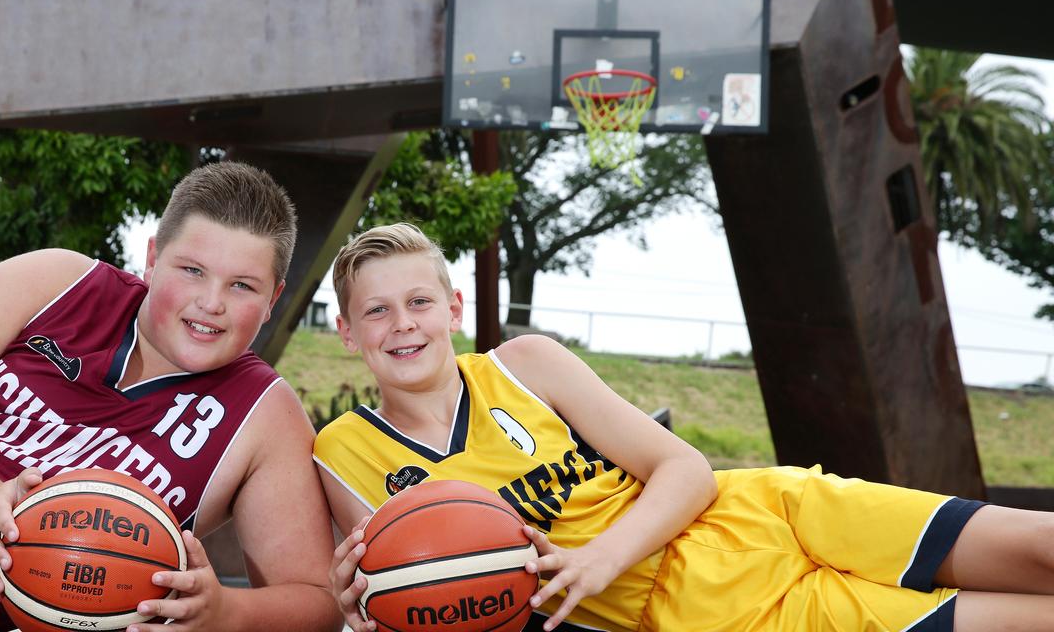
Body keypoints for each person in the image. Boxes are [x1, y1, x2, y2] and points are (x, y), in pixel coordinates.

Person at [313, 222, 1054, 632]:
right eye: (376, 311)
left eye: (418, 302)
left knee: (1040, 548)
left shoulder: (524, 363)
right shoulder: (344, 453)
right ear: (347, 331)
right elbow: (407, 596)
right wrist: (368, 612)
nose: (401, 325)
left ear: (452, 309)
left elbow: (686, 470)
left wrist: (597, 556)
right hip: (705, 615)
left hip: (770, 513)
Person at [0, 161, 340, 632]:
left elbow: (317, 601)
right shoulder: (62, 282)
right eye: (191, 270)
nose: (211, 302)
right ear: (150, 258)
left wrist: (225, 611)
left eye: (242, 285)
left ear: (274, 299)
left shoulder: (265, 416)